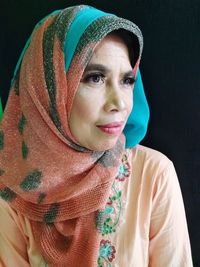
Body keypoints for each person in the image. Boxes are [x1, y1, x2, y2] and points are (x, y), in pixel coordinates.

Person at [0, 4, 193, 267]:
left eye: (127, 80)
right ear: (48, 86)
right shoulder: (14, 191)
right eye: (95, 78)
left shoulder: (153, 176)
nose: (121, 103)